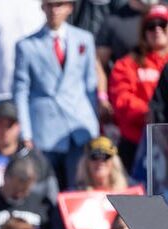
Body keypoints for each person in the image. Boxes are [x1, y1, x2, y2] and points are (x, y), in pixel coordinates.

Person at [14, 0, 99, 189]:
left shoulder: (84, 39)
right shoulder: (27, 45)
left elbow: (90, 85)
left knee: (78, 186)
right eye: (50, 5)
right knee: (47, 189)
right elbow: (21, 91)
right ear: (42, 7)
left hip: (79, 127)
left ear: (70, 7)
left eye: (59, 4)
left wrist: (94, 124)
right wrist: (26, 132)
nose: (54, 10)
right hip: (44, 129)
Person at [109, 4, 168, 170]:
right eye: (151, 26)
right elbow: (121, 99)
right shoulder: (127, 64)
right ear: (143, 32)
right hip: (137, 143)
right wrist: (150, 113)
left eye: (162, 24)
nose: (157, 30)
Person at [0, 102, 59, 204]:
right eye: (0, 124)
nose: (4, 130)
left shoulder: (35, 159)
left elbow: (48, 191)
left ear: (18, 127)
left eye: (9, 125)